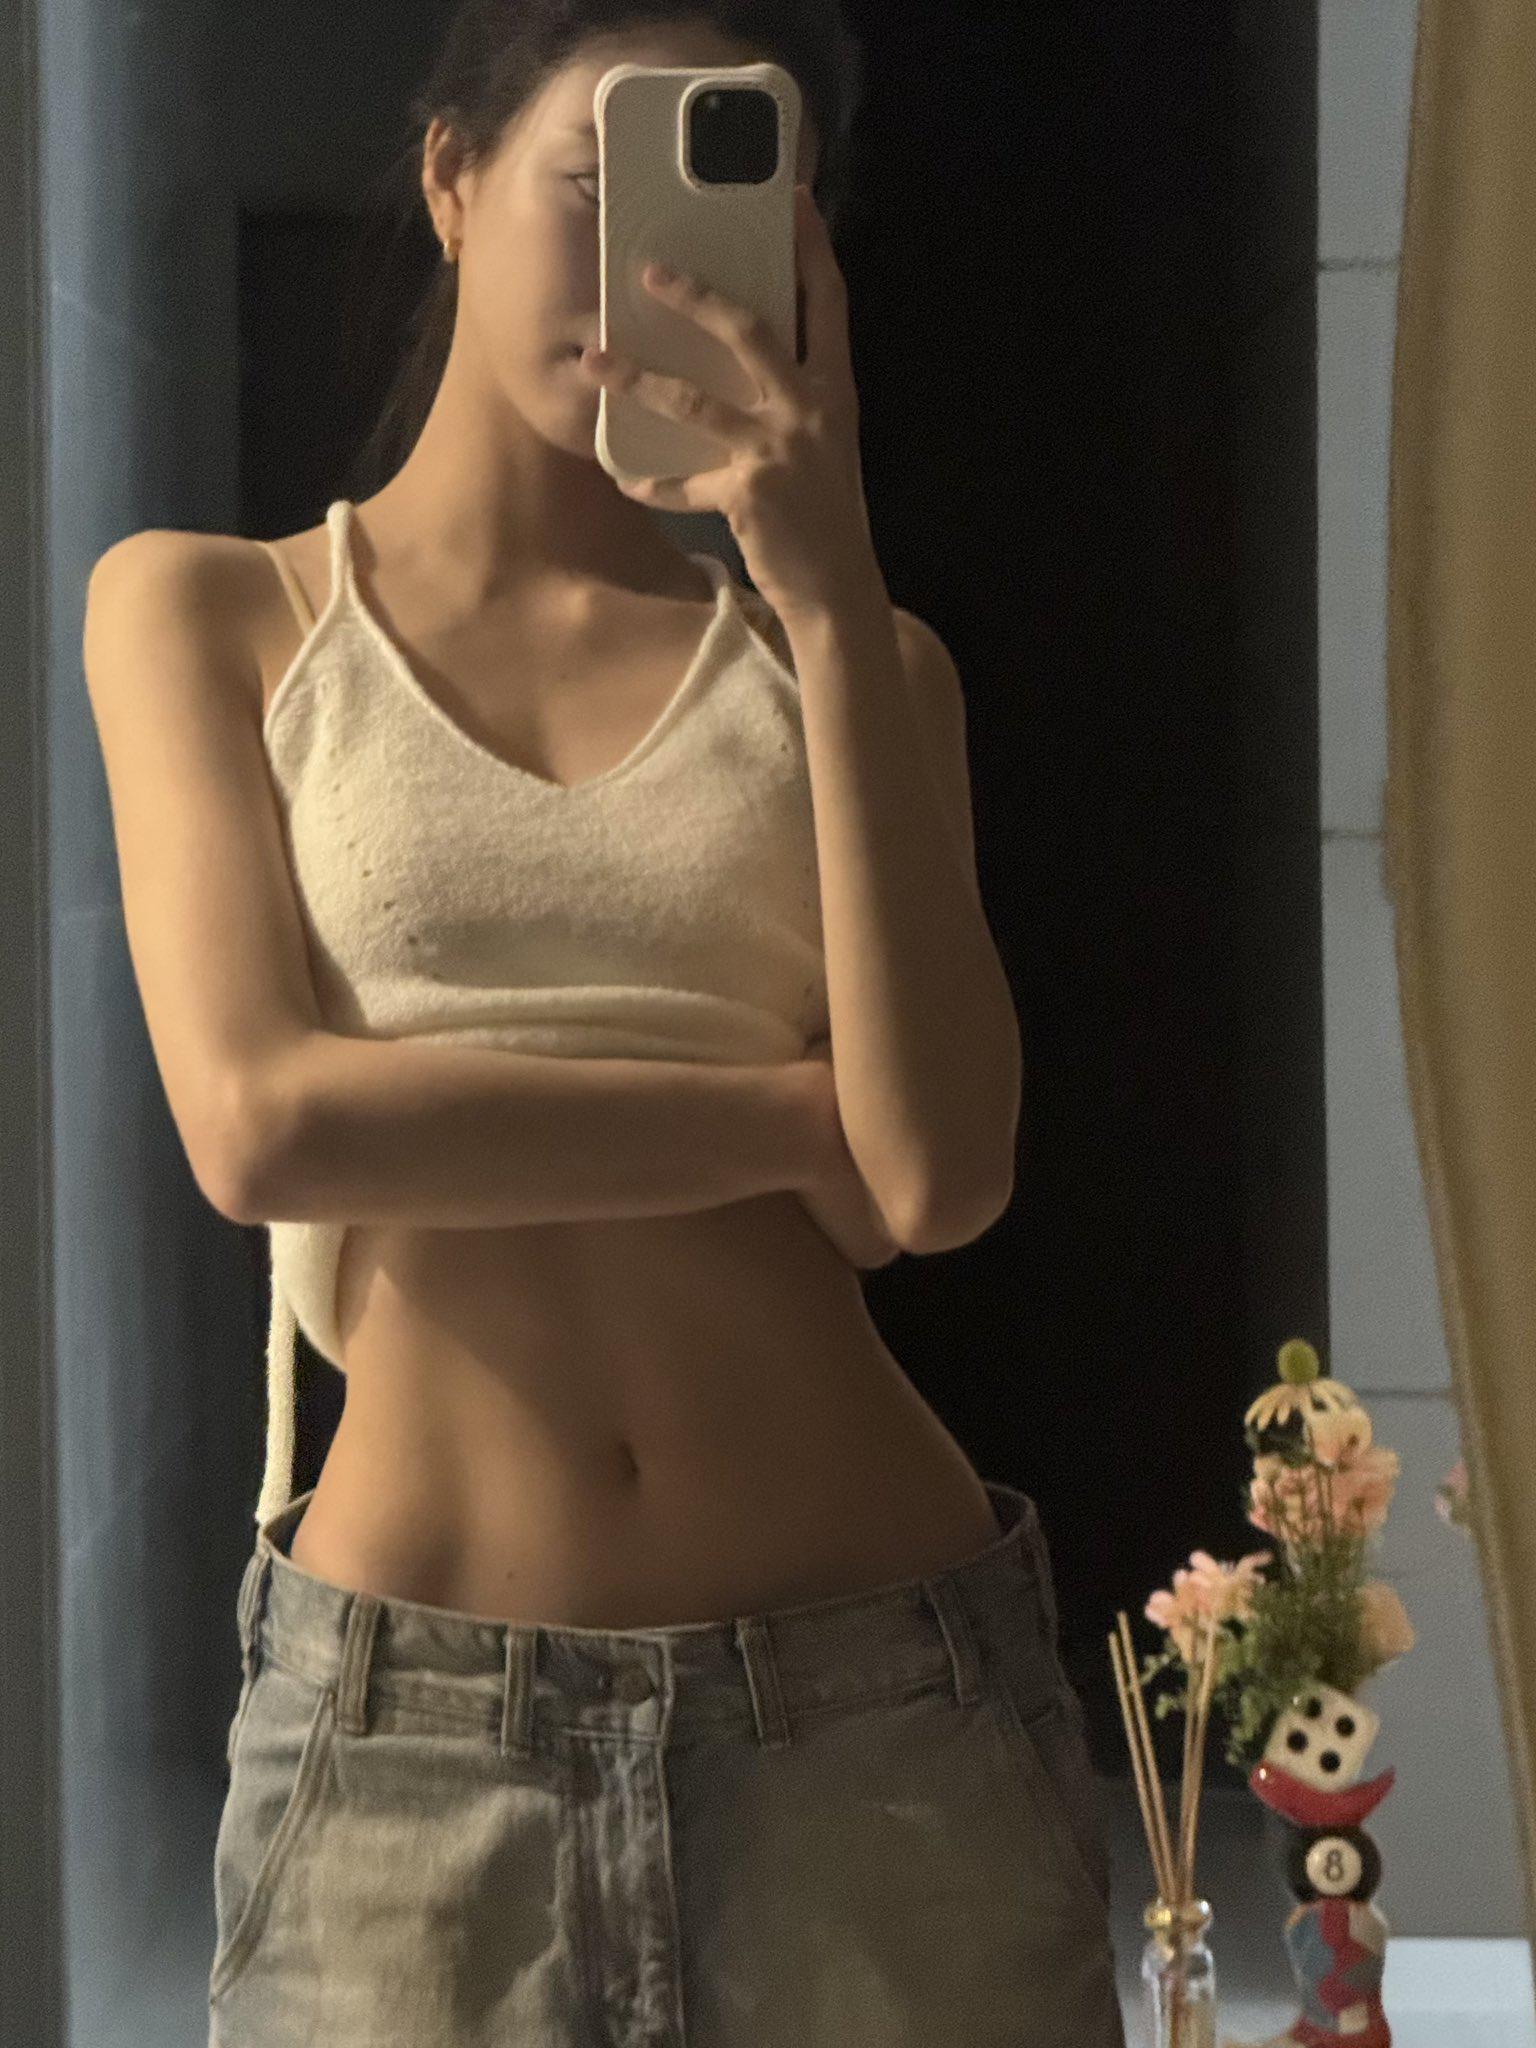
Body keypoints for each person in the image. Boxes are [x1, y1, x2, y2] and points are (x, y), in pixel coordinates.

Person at [81, 5, 1125, 2042]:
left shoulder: (867, 668)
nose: (652, 270)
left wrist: (827, 587)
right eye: (593, 188)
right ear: (451, 179)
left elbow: (933, 1176)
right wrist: (783, 1119)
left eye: (726, 212)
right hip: (409, 1738)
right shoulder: (214, 612)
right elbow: (263, 1126)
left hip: (878, 1713)